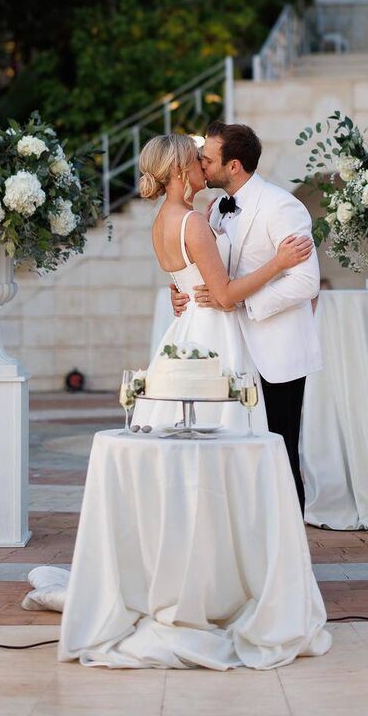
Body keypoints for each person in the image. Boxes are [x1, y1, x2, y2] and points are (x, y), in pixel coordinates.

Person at [171, 121, 322, 511]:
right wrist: (184, 294)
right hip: (229, 347)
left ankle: (291, 551)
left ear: (233, 165)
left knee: (281, 448)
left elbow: (307, 282)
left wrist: (241, 302)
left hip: (275, 350)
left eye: (207, 159)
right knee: (241, 452)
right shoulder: (214, 210)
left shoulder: (281, 205)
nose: (201, 164)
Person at [137, 132, 313, 433]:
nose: (202, 167)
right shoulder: (192, 221)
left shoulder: (169, 220)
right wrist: (279, 263)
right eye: (197, 160)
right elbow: (225, 295)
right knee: (225, 426)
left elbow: (188, 273)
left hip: (193, 328)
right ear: (181, 169)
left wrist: (182, 291)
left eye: (206, 160)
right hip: (216, 331)